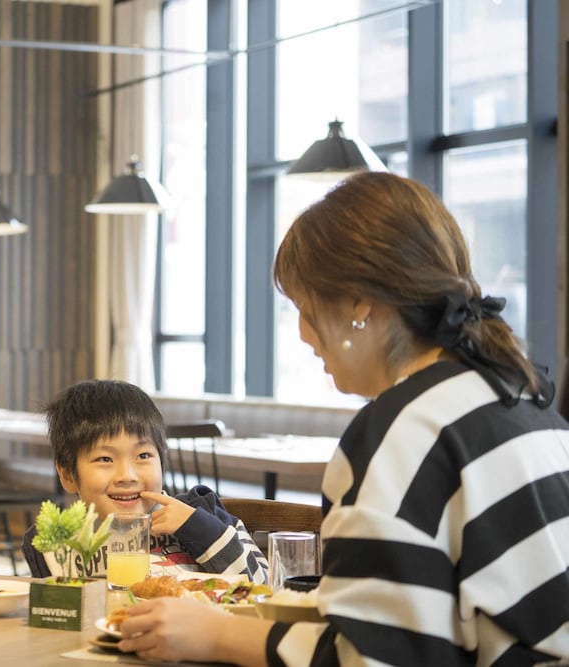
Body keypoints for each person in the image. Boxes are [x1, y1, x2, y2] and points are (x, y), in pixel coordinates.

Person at [116, 172, 569, 665]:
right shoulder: (524, 404)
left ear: (359, 304)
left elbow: (375, 657)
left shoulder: (402, 430)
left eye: (303, 307)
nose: (303, 334)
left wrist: (214, 634)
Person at [22, 379, 268, 583]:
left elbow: (263, 588)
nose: (127, 476)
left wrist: (197, 527)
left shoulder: (204, 513)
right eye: (105, 459)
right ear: (68, 475)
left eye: (143, 456)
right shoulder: (54, 540)